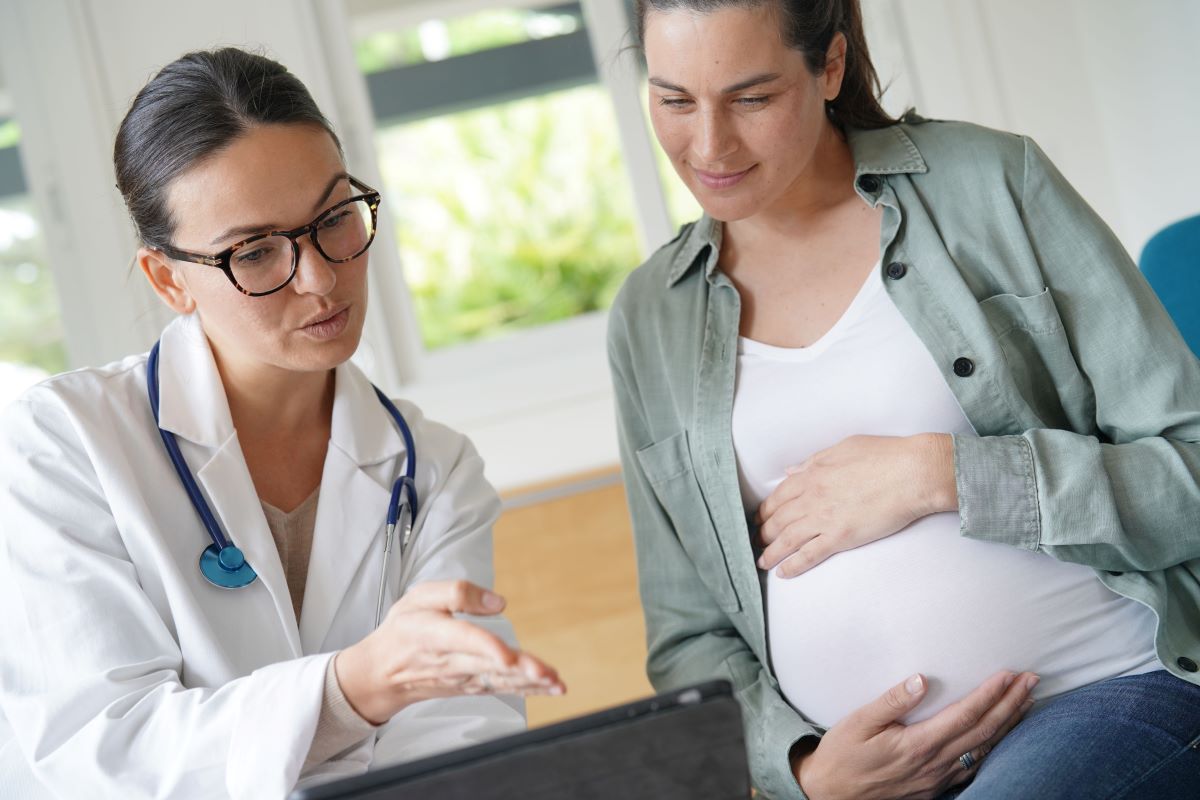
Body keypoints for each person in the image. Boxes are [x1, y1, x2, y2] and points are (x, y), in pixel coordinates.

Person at [608, 2, 1200, 798]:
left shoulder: (991, 185)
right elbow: (690, 637)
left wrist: (941, 474)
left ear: (831, 66)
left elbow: (1189, 477)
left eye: (751, 98)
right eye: (674, 100)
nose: (708, 145)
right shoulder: (651, 317)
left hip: (1106, 687)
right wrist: (805, 774)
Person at [0, 48, 564, 799]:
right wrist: (352, 693)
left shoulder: (432, 469)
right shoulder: (62, 444)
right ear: (170, 280)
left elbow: (459, 745)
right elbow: (101, 755)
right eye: (256, 252)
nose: (322, 278)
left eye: (333, 218)